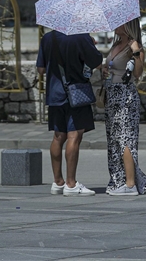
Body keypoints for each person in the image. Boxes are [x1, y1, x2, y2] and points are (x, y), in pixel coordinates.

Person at [37, 30, 102, 197]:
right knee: (74, 135)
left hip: (54, 94)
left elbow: (41, 69)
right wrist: (92, 45)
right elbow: (95, 61)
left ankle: (57, 182)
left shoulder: (48, 38)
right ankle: (71, 184)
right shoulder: (81, 36)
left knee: (58, 136)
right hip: (75, 93)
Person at [102, 18, 146, 196]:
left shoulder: (133, 46)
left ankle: (130, 184)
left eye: (118, 22)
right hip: (112, 96)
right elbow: (113, 67)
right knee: (114, 139)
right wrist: (105, 70)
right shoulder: (116, 44)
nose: (114, 25)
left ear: (127, 25)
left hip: (125, 97)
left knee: (125, 138)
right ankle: (119, 180)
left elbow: (137, 74)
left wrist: (136, 52)